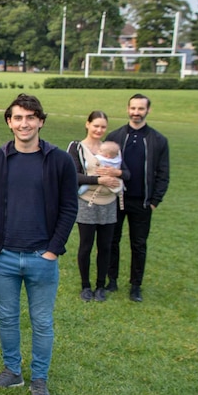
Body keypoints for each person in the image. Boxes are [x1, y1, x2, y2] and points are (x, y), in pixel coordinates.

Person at [0, 94, 77, 395]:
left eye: (31, 117)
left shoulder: (59, 160)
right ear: (9, 121)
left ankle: (39, 380)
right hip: (3, 256)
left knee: (42, 321)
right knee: (7, 317)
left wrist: (53, 250)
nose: (24, 123)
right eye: (18, 117)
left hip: (41, 257)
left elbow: (69, 207)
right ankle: (12, 371)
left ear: (41, 121)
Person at [105, 94, 170, 303]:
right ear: (127, 109)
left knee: (138, 244)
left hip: (142, 202)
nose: (136, 112)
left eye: (140, 109)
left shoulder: (158, 140)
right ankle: (111, 280)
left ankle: (135, 286)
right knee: (111, 241)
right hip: (115, 199)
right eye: (133, 108)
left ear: (148, 111)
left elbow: (163, 173)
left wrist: (154, 201)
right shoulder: (115, 136)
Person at [68, 112, 129, 303]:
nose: (99, 130)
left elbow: (127, 174)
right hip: (87, 202)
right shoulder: (77, 147)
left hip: (109, 203)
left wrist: (116, 172)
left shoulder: (111, 149)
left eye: (103, 127)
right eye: (95, 125)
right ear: (87, 124)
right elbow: (73, 175)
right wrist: (98, 179)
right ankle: (86, 286)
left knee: (105, 246)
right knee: (86, 246)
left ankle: (101, 286)